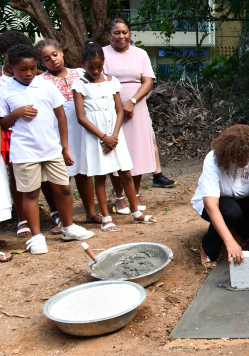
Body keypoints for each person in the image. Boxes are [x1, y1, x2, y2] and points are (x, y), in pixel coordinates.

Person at [0, 44, 93, 254]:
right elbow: (3, 124)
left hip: (52, 148)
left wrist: (65, 147)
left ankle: (68, 227)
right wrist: (16, 113)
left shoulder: (46, 85)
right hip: (25, 152)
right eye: (23, 69)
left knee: (63, 188)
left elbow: (61, 116)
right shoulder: (5, 91)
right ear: (10, 67)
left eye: (32, 68)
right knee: (30, 193)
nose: (29, 73)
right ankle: (36, 236)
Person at [73, 42, 156, 231]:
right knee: (101, 176)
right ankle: (106, 217)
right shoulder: (79, 85)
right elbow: (81, 117)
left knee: (126, 172)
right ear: (82, 64)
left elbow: (120, 110)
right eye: (90, 67)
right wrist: (104, 137)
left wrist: (115, 135)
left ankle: (135, 212)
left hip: (115, 135)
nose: (95, 70)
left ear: (104, 63)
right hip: (96, 137)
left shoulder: (112, 81)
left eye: (99, 66)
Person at [191, 124, 249, 268]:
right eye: (241, 159)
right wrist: (229, 242)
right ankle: (208, 247)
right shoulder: (213, 160)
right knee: (231, 211)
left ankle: (237, 233)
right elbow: (211, 205)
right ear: (229, 155)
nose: (246, 162)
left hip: (240, 201)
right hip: (217, 205)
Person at [36, 39, 102, 230]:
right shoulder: (41, 81)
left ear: (62, 52)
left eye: (55, 55)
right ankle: (65, 219)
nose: (53, 61)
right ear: (42, 62)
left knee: (84, 171)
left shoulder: (80, 73)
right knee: (61, 175)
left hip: (81, 127)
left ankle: (91, 212)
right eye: (46, 59)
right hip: (58, 131)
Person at [102, 18, 156, 214]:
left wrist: (131, 101)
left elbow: (147, 82)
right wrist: (119, 105)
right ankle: (119, 196)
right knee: (116, 150)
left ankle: (137, 193)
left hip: (137, 107)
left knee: (136, 150)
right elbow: (96, 78)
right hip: (110, 107)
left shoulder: (140, 54)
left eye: (124, 32)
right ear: (110, 35)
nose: (121, 36)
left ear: (130, 33)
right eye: (117, 33)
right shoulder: (102, 53)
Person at [0, 31, 34, 237]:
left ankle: (53, 212)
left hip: (32, 131)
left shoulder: (34, 75)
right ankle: (22, 218)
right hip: (9, 130)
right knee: (15, 174)